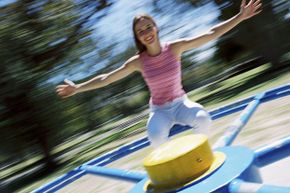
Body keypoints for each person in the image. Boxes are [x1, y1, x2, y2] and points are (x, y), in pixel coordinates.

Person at [56, 0, 262, 147]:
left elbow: (211, 34)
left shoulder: (174, 48)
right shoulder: (138, 62)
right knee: (155, 137)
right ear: (137, 37)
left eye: (148, 27)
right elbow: (106, 79)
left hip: (181, 103)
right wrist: (78, 88)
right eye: (141, 31)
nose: (146, 33)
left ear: (156, 27)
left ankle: (201, 154)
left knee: (203, 119)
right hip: (159, 111)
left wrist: (240, 17)